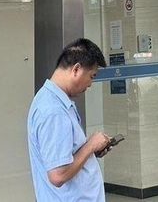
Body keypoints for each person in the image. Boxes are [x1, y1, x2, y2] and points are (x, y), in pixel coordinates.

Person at [28, 38, 111, 202]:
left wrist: (91, 151)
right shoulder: (53, 110)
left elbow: (65, 156)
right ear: (76, 69)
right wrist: (90, 146)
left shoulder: (54, 101)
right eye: (92, 76)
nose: (90, 84)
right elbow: (58, 175)